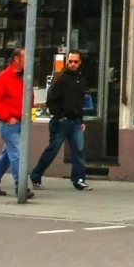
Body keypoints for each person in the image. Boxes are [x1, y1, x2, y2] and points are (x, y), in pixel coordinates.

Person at [30, 49, 92, 192]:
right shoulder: (61, 78)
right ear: (66, 62)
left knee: (78, 151)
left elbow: (80, 101)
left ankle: (79, 180)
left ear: (80, 63)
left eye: (75, 62)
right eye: (70, 61)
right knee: (53, 150)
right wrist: (58, 116)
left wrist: (81, 119)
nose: (72, 64)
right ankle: (36, 175)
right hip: (61, 121)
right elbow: (51, 100)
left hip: (75, 121)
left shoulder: (80, 79)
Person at [0, 47, 28, 196]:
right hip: (9, 123)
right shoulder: (4, 77)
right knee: (17, 154)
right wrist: (7, 117)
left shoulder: (21, 77)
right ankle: (20, 185)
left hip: (19, 121)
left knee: (9, 154)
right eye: (25, 58)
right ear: (17, 59)